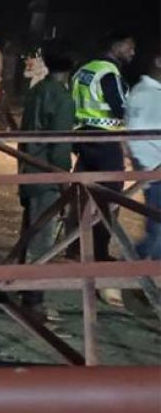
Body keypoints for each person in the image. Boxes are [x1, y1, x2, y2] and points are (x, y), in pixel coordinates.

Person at [70, 30, 135, 306]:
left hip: (83, 138)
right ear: (116, 45)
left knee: (82, 195)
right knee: (109, 199)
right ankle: (98, 252)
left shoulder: (83, 70)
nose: (132, 53)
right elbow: (120, 108)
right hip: (106, 142)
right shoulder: (109, 72)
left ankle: (74, 247)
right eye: (130, 48)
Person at [17, 44, 74, 319]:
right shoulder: (63, 99)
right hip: (47, 176)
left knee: (29, 231)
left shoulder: (36, 91)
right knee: (42, 238)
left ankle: (18, 285)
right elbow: (61, 149)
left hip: (28, 169)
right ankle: (34, 301)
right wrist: (65, 182)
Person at [126, 51, 161, 261]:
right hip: (154, 172)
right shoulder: (144, 94)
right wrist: (146, 169)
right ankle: (129, 272)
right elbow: (133, 136)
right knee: (157, 229)